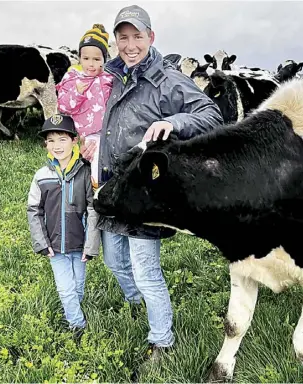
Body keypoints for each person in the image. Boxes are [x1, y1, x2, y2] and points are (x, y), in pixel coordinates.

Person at [81, 5, 224, 357]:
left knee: (146, 270)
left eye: (137, 36)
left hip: (144, 190)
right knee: (114, 261)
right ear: (115, 41)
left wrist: (174, 122)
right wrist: (92, 139)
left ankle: (162, 339)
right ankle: (138, 301)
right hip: (111, 186)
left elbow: (211, 114)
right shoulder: (111, 74)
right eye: (123, 37)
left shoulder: (166, 79)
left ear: (151, 37)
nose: (130, 45)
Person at [27, 114, 100, 337]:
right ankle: (77, 326)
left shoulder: (86, 173)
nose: (56, 146)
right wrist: (41, 242)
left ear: (74, 140)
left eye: (62, 139)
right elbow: (34, 210)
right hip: (54, 245)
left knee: (78, 287)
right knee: (66, 289)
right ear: (45, 144)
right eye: (50, 140)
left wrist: (91, 246)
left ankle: (73, 311)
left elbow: (93, 210)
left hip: (80, 244)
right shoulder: (41, 176)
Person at [56, 24, 114, 190]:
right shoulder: (72, 78)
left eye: (97, 59)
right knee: (90, 158)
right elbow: (64, 106)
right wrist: (77, 92)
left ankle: (101, 187)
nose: (91, 64)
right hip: (81, 133)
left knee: (103, 158)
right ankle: (96, 189)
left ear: (104, 60)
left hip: (105, 132)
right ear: (79, 58)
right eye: (86, 58)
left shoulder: (108, 79)